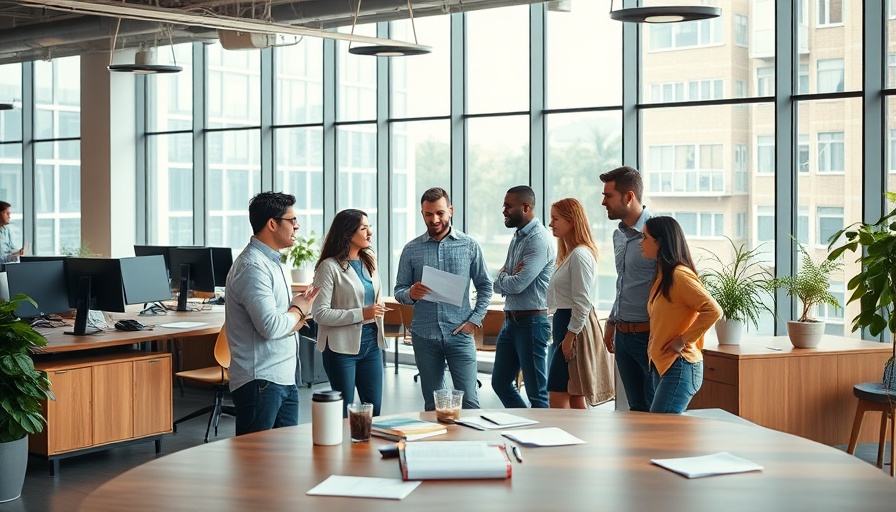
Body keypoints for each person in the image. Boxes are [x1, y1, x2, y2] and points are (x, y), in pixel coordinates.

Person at [226, 191, 319, 436]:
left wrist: (295, 313)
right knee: (256, 464)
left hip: (282, 378)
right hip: (261, 382)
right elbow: (271, 326)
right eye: (292, 220)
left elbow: (280, 319)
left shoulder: (272, 262)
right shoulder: (252, 267)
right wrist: (299, 310)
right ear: (272, 224)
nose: (297, 226)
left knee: (283, 463)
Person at [394, 187, 492, 411]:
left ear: (450, 211)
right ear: (422, 214)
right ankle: (438, 446)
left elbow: (485, 286)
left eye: (440, 213)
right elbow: (399, 290)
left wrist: (475, 319)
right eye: (428, 214)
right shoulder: (411, 250)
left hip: (460, 333)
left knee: (469, 402)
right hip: (424, 335)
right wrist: (410, 293)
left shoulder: (469, 246)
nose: (434, 219)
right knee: (433, 404)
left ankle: (470, 446)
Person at [640, 216, 721, 414]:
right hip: (664, 364)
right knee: (663, 433)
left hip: (680, 365)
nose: (640, 243)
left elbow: (713, 310)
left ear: (659, 242)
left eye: (644, 237)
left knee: (660, 432)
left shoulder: (679, 276)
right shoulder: (662, 277)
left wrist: (683, 340)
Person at [311, 209, 387, 417]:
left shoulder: (369, 258)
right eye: (363, 228)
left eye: (369, 227)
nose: (370, 232)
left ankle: (370, 450)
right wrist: (362, 313)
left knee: (374, 409)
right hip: (340, 349)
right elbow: (320, 313)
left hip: (371, 344)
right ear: (347, 233)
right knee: (344, 413)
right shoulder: (328, 267)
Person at [545, 198, 614, 409]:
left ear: (571, 221)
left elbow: (583, 302)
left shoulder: (580, 255)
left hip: (573, 328)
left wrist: (569, 337)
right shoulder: (570, 255)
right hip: (564, 324)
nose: (551, 224)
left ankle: (567, 440)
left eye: (555, 219)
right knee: (574, 394)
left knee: (558, 395)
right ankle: (581, 440)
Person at [491, 185, 555, 408]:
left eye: (509, 206)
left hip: (532, 323)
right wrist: (504, 278)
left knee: (537, 394)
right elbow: (499, 279)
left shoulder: (539, 240)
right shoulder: (518, 237)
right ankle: (525, 423)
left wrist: (504, 278)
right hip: (510, 321)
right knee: (500, 383)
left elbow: (516, 283)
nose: (504, 210)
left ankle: (542, 437)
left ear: (526, 207)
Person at [599, 166, 657, 412]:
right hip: (622, 335)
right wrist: (612, 321)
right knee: (635, 411)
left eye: (608, 196)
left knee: (656, 412)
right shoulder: (619, 236)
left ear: (629, 196)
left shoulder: (658, 232)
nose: (603, 202)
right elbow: (624, 282)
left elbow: (679, 282)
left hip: (649, 337)